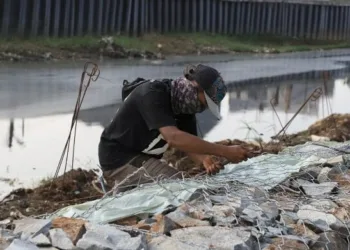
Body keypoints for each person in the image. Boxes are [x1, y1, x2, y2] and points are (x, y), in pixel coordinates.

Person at [98, 64, 254, 186]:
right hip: (118, 160)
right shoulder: (152, 94)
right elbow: (173, 138)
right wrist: (225, 151)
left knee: (179, 186)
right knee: (177, 187)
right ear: (194, 87)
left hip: (142, 158)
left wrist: (204, 159)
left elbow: (188, 143)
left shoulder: (184, 107)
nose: (203, 108)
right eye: (205, 102)